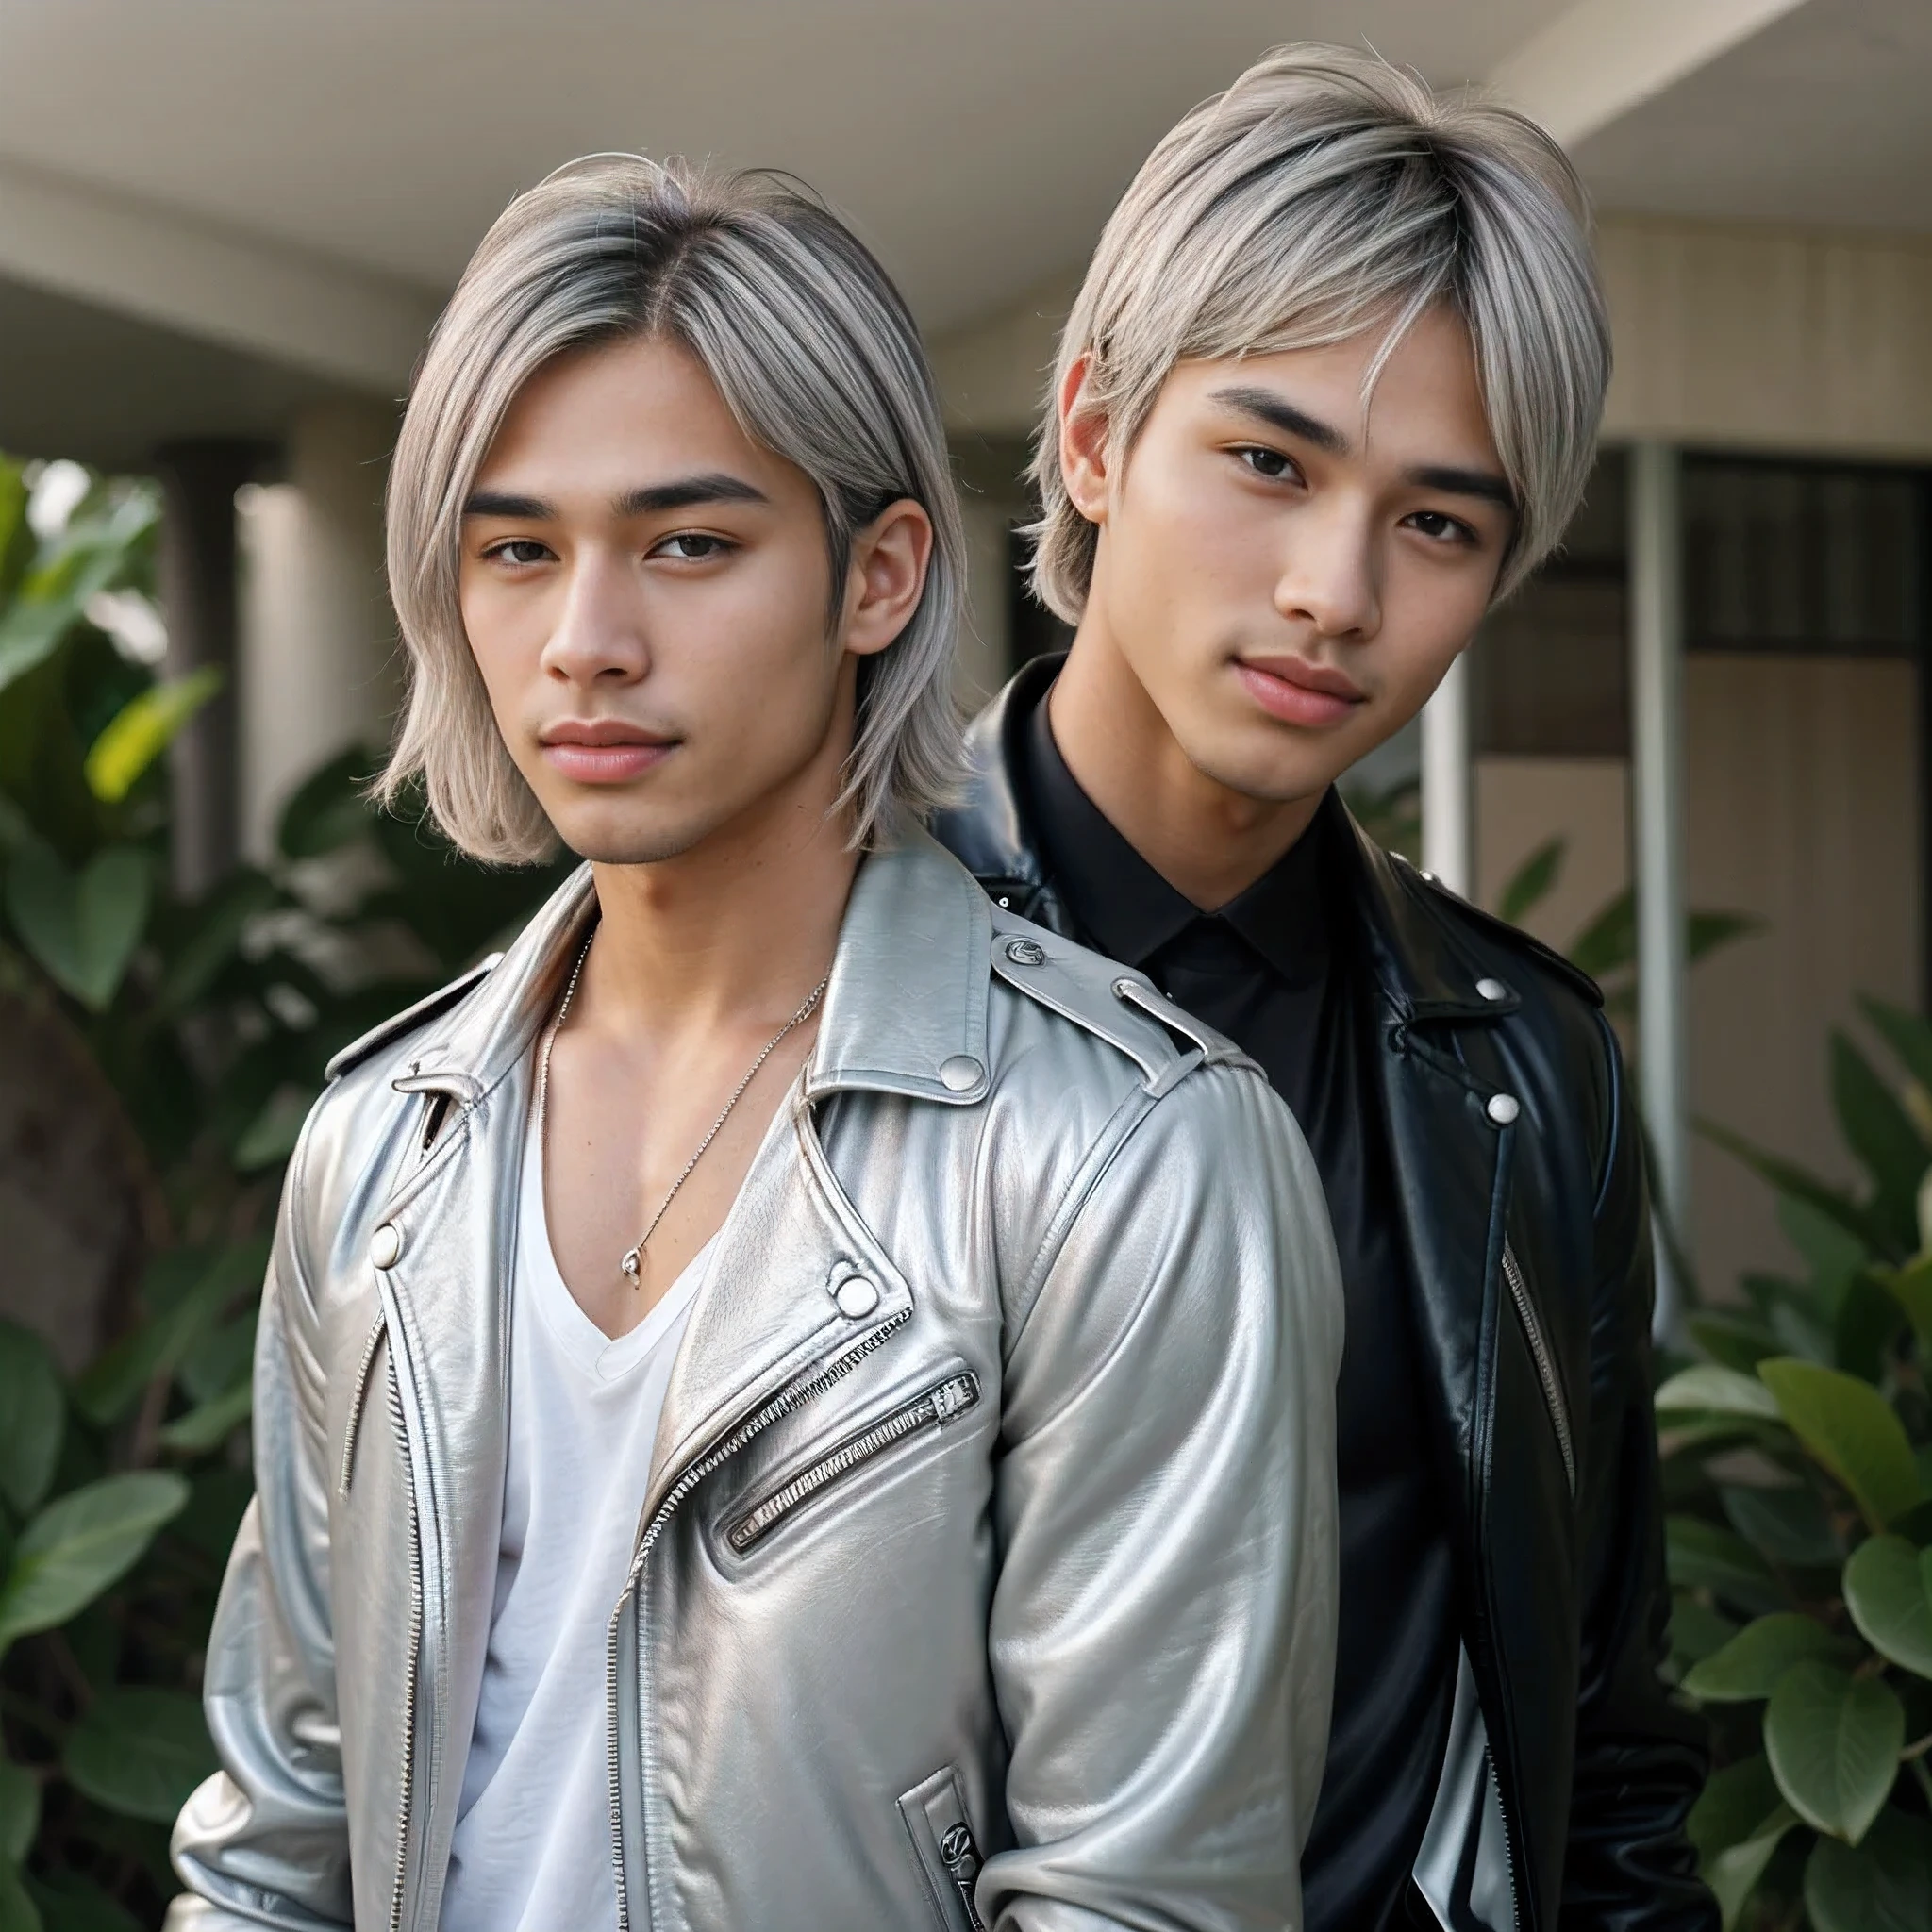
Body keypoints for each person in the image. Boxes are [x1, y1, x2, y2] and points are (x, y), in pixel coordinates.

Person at [164, 157, 1343, 1932]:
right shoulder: (383, 1147)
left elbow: (1147, 1898)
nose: (585, 642)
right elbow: (277, 1839)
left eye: (688, 544)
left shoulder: (1130, 1154)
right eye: (516, 551)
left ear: (878, 578)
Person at [934, 46, 1713, 1932]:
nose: (1333, 590)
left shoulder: (1521, 1064)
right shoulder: (781, 985)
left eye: (1435, 523)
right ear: (1098, 435)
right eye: (1268, 464)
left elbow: (1601, 1749)